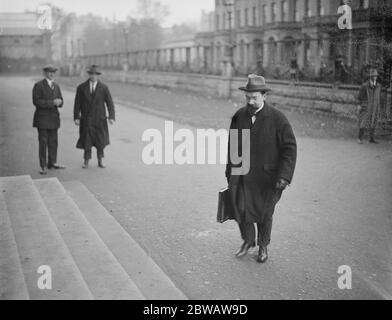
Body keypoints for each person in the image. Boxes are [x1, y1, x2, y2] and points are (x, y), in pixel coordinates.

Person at [225, 74, 297, 263]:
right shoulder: (239, 116)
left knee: (265, 213)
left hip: (268, 177)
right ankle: (248, 241)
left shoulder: (278, 119)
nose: (250, 101)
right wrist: (229, 172)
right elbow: (233, 146)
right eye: (247, 97)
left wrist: (285, 176)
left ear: (264, 96)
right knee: (241, 208)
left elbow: (289, 148)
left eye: (254, 97)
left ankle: (263, 245)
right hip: (242, 174)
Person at [73, 65, 115, 168]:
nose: (93, 76)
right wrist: (76, 117)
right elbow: (77, 103)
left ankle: (100, 160)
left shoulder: (104, 88)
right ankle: (86, 161)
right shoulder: (81, 88)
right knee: (87, 141)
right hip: (86, 119)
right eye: (91, 74)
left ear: (98, 76)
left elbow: (110, 103)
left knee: (100, 141)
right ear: (89, 74)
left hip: (99, 119)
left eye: (95, 74)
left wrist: (111, 117)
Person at [32, 64, 66, 175]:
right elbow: (36, 101)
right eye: (49, 72)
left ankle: (52, 162)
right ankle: (43, 166)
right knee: (43, 142)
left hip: (54, 119)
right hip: (42, 119)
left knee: (53, 142)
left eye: (53, 72)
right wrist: (52, 103)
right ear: (45, 73)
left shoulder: (56, 86)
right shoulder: (38, 85)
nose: (51, 74)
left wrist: (60, 102)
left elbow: (61, 99)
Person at [357, 69, 381, 144]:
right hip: (366, 106)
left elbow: (378, 97)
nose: (375, 77)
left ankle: (371, 138)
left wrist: (378, 107)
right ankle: (360, 139)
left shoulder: (378, 86)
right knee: (363, 122)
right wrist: (360, 105)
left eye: (376, 76)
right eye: (373, 76)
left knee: (373, 121)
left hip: (375, 107)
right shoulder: (364, 86)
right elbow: (360, 97)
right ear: (370, 77)